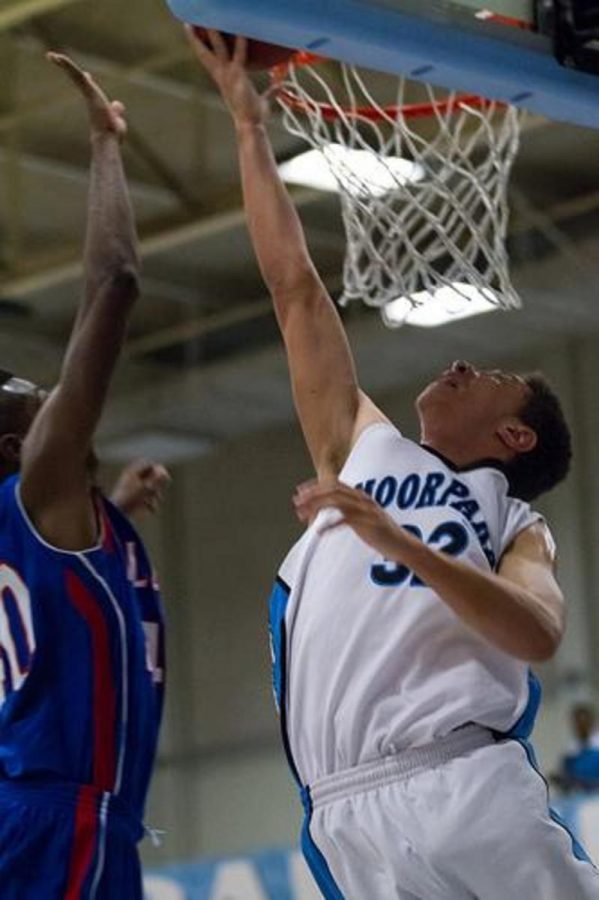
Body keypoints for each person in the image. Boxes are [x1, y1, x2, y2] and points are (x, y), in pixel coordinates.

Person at [190, 31, 599, 900]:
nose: (457, 367)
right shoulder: (359, 441)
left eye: (489, 377)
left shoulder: (513, 525)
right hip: (340, 813)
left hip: (465, 781)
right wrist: (246, 126)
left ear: (515, 438)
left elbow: (537, 635)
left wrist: (395, 540)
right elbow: (294, 288)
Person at [0, 55, 167, 899]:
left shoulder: (55, 525)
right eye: (23, 396)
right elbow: (117, 282)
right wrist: (106, 144)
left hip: (43, 811)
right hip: (56, 816)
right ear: (11, 447)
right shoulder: (36, 493)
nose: (43, 389)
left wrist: (116, 515)